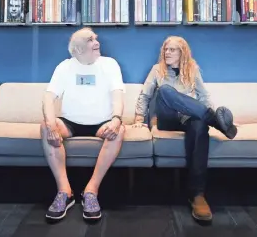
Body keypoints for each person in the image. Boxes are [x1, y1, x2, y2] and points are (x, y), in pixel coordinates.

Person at [133, 36, 237, 222]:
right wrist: (139, 118)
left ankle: (197, 194)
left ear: (183, 52)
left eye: (172, 50)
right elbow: (145, 95)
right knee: (165, 91)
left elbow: (204, 97)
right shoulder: (157, 70)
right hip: (167, 118)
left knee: (199, 124)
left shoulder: (192, 69)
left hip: (188, 118)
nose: (167, 52)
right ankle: (216, 121)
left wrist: (207, 111)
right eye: (166, 49)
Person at [41, 27, 126, 221]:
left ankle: (91, 191)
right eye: (90, 40)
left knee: (119, 130)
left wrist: (116, 119)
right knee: (45, 126)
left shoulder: (109, 64)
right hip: (71, 122)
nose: (97, 42)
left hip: (102, 122)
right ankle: (65, 192)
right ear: (78, 50)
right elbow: (48, 98)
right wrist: (51, 124)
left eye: (96, 39)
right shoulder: (64, 66)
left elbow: (118, 95)